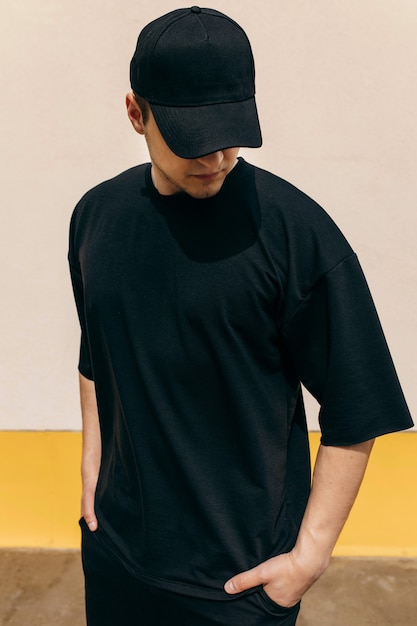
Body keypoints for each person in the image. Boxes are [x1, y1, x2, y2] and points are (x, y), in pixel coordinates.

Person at [68, 7, 413, 626]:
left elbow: (358, 405)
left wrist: (307, 560)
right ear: (135, 113)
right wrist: (93, 462)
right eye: (190, 137)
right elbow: (95, 354)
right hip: (117, 559)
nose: (216, 157)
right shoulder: (96, 217)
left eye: (230, 132)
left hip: (237, 590)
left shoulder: (295, 234)